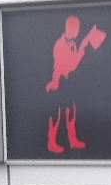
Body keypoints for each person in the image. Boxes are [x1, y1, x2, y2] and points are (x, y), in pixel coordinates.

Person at [45, 16, 105, 153]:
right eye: (76, 28)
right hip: (60, 81)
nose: (78, 31)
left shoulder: (73, 43)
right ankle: (52, 142)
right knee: (58, 114)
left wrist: (82, 46)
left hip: (69, 82)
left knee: (71, 112)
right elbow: (70, 65)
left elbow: (74, 62)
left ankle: (72, 140)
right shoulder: (60, 45)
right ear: (69, 28)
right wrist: (83, 47)